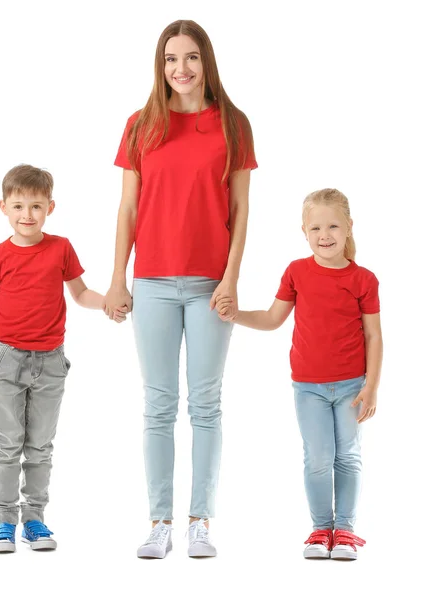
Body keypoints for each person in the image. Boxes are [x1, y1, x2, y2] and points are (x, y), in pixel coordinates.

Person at [104, 19, 257, 558]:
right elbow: (127, 209)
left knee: (207, 404)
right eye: (171, 59)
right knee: (158, 404)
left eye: (191, 57)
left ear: (206, 61)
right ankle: (159, 521)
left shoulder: (233, 125)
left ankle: (201, 522)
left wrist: (232, 280)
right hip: (150, 283)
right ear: (160, 64)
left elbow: (240, 212)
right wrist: (118, 278)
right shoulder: (141, 124)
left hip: (210, 284)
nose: (181, 69)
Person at [0, 164, 126, 553]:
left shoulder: (61, 248)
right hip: (5, 360)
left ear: (50, 207)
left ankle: (34, 520)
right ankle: (4, 522)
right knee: (8, 445)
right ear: (3, 207)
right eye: (18, 206)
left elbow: (82, 293)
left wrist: (109, 302)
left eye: (36, 206)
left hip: (50, 361)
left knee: (40, 446)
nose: (27, 215)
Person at [216, 188, 383, 561]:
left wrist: (371, 387)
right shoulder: (297, 272)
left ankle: (346, 532)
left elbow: (373, 335)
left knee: (348, 456)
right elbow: (274, 319)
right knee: (318, 457)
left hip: (352, 386)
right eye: (317, 228)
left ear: (349, 228)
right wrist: (236, 315)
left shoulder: (364, 280)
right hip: (308, 387)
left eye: (334, 226)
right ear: (304, 231)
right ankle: (321, 529)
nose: (325, 235)